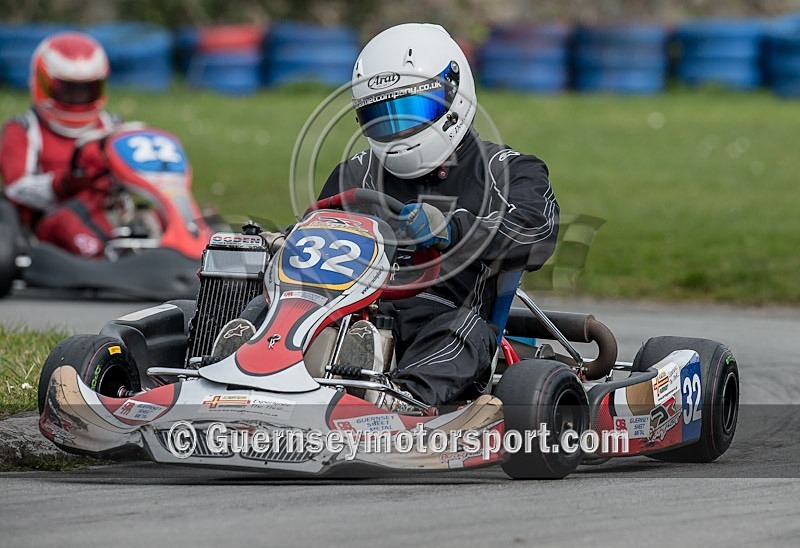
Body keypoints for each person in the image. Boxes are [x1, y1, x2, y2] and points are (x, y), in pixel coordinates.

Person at [317, 23, 559, 409]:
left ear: (453, 95)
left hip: (445, 317)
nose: (397, 130)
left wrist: (452, 229)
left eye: (412, 110)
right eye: (381, 117)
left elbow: (535, 232)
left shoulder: (509, 170)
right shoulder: (354, 173)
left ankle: (402, 401)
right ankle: (237, 372)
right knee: (267, 299)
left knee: (461, 330)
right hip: (348, 314)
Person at [0, 31, 120, 258]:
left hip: (107, 211)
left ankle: (190, 250)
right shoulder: (24, 128)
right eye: (68, 89)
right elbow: (16, 189)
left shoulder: (111, 126)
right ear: (43, 82)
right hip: (51, 219)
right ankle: (107, 260)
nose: (78, 96)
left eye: (87, 89)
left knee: (157, 215)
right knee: (69, 219)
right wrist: (62, 184)